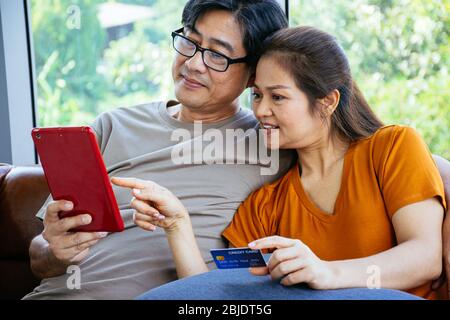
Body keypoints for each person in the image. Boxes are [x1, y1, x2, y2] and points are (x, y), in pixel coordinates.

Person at [129, 26, 448, 300]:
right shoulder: (264, 206)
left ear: (327, 102)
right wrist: (177, 224)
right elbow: (217, 295)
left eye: (277, 97)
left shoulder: (392, 147)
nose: (261, 110)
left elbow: (425, 257)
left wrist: (327, 273)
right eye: (256, 95)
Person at [23, 0, 292, 300]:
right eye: (189, 42)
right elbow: (39, 257)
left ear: (254, 73)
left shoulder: (272, 144)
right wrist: (54, 251)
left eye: (217, 55)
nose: (192, 63)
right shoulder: (112, 126)